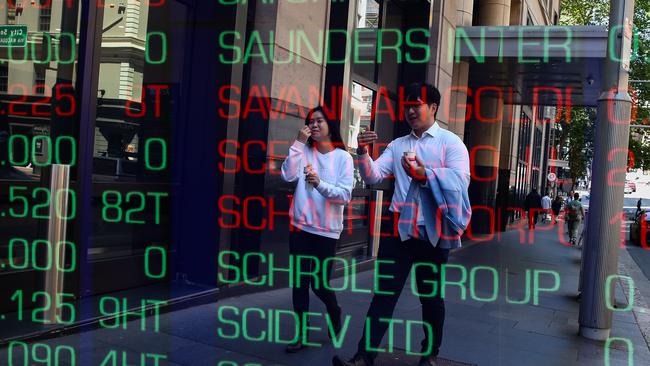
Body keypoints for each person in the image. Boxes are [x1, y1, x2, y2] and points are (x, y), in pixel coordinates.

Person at [332, 82, 471, 366]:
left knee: (431, 299)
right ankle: (363, 356)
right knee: (383, 295)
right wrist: (362, 152)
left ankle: (430, 354)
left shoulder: (450, 143)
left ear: (433, 107)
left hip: (433, 234)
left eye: (416, 105)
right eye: (407, 106)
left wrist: (425, 174)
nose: (409, 111)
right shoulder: (398, 145)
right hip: (398, 233)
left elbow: (461, 181)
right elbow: (373, 177)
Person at [280, 106, 354, 353]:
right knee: (300, 283)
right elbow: (287, 176)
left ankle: (334, 311)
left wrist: (320, 184)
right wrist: (297, 144)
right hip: (300, 227)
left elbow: (344, 195)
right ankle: (301, 334)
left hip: (326, 231)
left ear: (330, 125)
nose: (314, 125)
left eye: (319, 120)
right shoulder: (303, 151)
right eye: (310, 122)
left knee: (320, 284)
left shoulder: (343, 158)